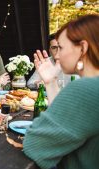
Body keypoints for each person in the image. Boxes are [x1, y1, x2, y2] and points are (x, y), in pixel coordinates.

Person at [23, 14, 99, 169]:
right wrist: (50, 82)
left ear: (83, 48)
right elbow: (67, 126)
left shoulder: (85, 88)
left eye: (61, 47)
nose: (57, 55)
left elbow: (34, 144)